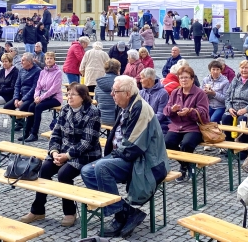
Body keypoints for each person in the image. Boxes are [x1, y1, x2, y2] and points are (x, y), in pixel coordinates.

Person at [81, 75, 170, 238]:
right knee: (87, 170)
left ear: (128, 93)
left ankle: (119, 215)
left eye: (115, 91)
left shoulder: (140, 109)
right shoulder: (124, 105)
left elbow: (134, 147)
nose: (111, 94)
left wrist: (109, 157)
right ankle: (124, 211)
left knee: (101, 167)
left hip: (145, 161)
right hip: (127, 156)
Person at [19, 83, 101, 228]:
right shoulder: (65, 109)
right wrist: (55, 152)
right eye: (68, 94)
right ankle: (38, 210)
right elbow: (56, 133)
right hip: (63, 151)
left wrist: (67, 156)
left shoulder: (92, 112)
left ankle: (70, 212)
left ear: (82, 97)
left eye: (73, 94)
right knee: (44, 169)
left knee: (64, 174)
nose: (69, 97)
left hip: (86, 154)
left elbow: (87, 142)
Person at [164, 66, 209, 182]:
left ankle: (183, 168)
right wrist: (172, 109)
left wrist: (190, 111)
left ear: (192, 79)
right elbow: (166, 109)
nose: (184, 80)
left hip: (193, 127)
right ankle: (186, 165)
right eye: (181, 78)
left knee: (187, 144)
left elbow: (203, 112)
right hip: (176, 126)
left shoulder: (200, 93)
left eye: (186, 78)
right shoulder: (175, 92)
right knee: (167, 143)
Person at [20, 52, 63, 142]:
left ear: (54, 60)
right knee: (31, 106)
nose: (49, 60)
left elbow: (53, 89)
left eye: (51, 58)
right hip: (42, 97)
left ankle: (34, 134)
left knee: (38, 107)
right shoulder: (43, 72)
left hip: (54, 98)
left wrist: (41, 98)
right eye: (47, 58)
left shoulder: (58, 72)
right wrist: (36, 96)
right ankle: (26, 132)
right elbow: (38, 86)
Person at [221, 60, 248, 143]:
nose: (244, 70)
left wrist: (246, 109)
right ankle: (229, 146)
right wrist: (229, 108)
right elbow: (227, 95)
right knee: (225, 118)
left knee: (242, 120)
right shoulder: (236, 79)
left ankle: (242, 149)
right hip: (233, 109)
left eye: (246, 68)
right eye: (242, 68)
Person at [4, 53, 41, 135]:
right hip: (21, 94)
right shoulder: (21, 70)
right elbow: (17, 85)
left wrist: (23, 100)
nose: (21, 62)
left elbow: (34, 88)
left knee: (23, 107)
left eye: (23, 61)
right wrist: (16, 98)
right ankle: (21, 123)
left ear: (29, 62)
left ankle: (29, 127)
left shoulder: (37, 71)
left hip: (31, 96)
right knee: (7, 107)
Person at [139, 68, 170, 133]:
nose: (140, 81)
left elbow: (160, 115)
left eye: (142, 78)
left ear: (149, 80)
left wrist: (143, 119)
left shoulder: (163, 93)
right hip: (142, 124)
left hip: (159, 125)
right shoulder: (140, 93)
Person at [95, 59, 120, 126]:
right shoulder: (120, 82)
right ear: (118, 69)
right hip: (117, 118)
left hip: (101, 118)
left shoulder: (99, 84)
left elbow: (96, 100)